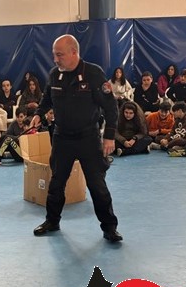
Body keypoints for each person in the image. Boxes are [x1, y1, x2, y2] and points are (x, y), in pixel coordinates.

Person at [29, 34, 121, 243]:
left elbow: (110, 106)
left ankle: (109, 228)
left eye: (59, 55)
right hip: (62, 137)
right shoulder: (55, 75)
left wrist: (109, 136)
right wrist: (38, 114)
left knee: (97, 185)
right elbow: (46, 100)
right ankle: (52, 221)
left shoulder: (94, 73)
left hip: (88, 138)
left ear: (74, 52)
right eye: (54, 55)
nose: (55, 59)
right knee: (56, 183)